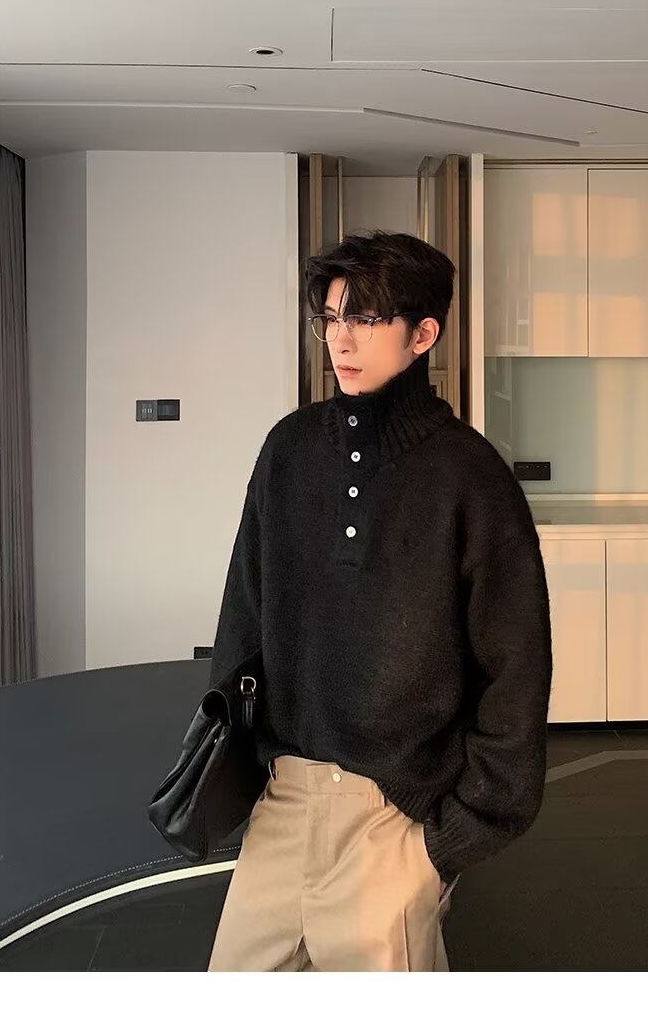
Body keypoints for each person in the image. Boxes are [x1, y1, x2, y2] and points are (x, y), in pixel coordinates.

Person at [207, 230, 553, 972]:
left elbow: (516, 670)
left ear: (423, 334)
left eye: (364, 318)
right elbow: (243, 616)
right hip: (284, 802)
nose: (341, 339)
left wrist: (445, 843)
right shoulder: (289, 450)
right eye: (331, 318)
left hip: (393, 815)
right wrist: (233, 765)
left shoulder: (470, 476)